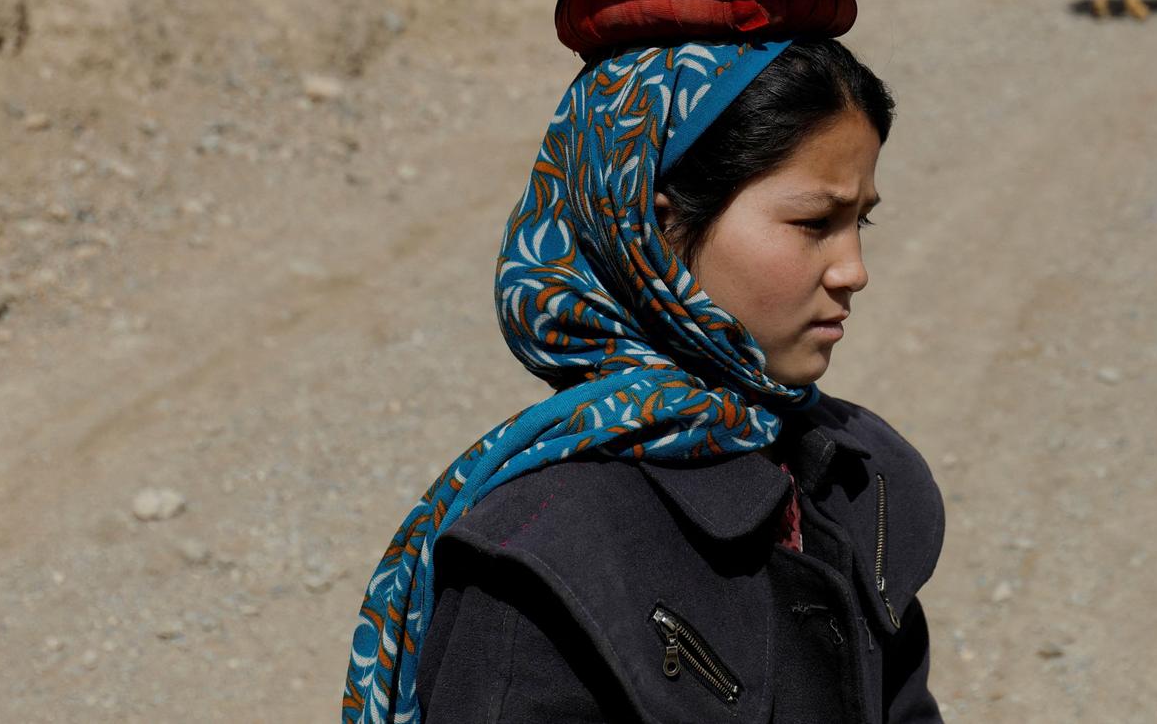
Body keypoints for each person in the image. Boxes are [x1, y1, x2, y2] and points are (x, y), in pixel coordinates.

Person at [344, 36, 944, 724]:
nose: (853, 269)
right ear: (656, 232)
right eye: (815, 222)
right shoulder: (538, 562)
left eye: (859, 220)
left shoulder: (852, 479)